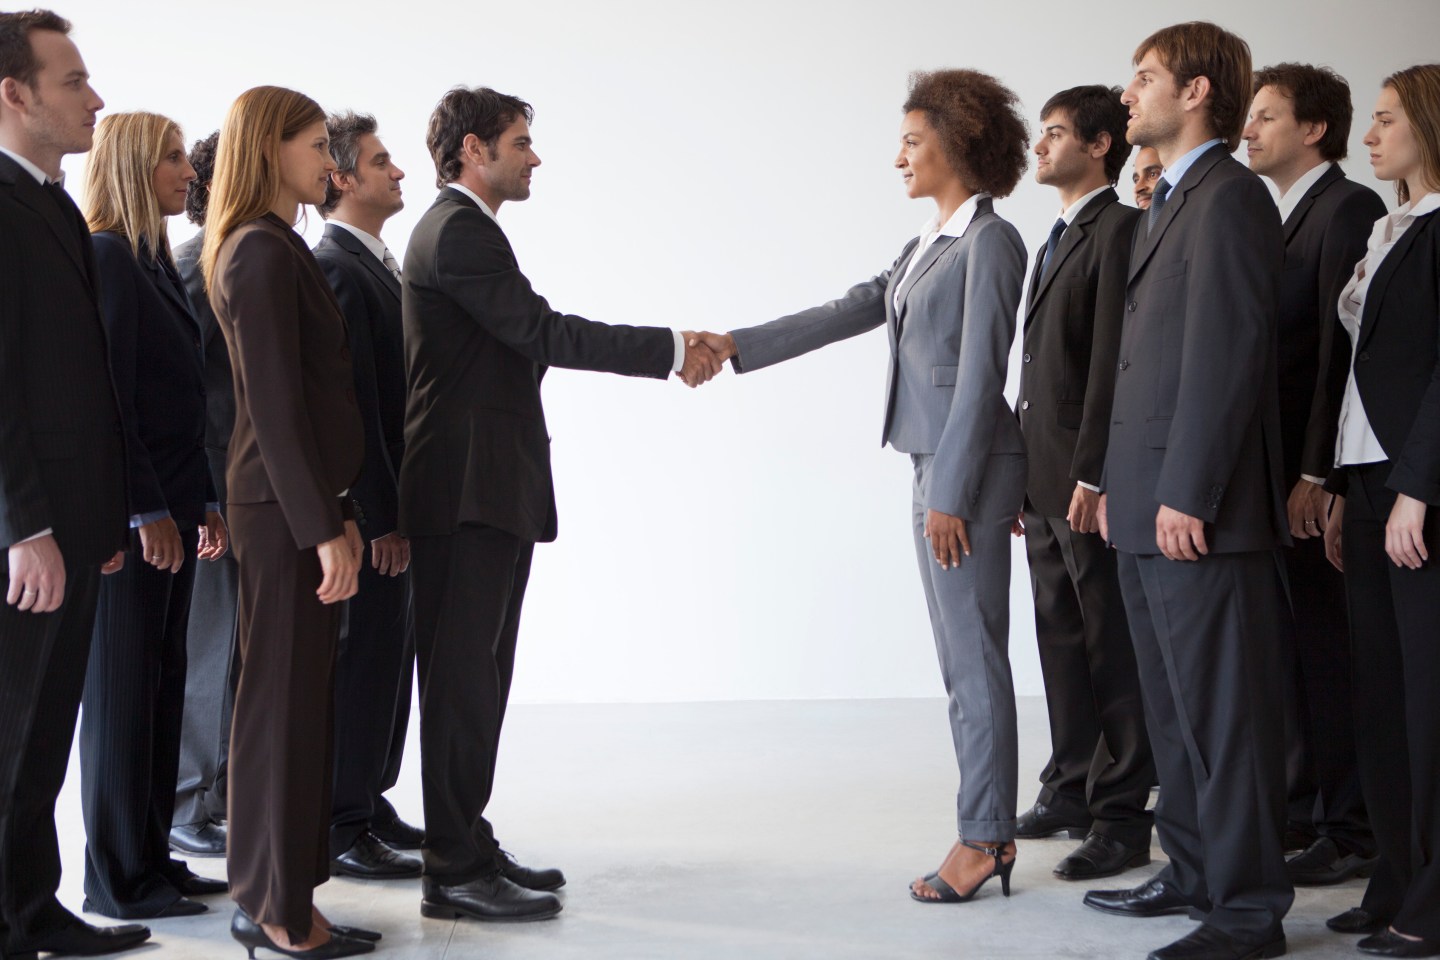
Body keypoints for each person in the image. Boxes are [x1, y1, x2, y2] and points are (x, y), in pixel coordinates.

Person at [695, 68, 1030, 906]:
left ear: (957, 143)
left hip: (964, 469)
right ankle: (986, 826)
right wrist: (739, 343)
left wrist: (951, 491)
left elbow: (983, 375)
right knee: (958, 658)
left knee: (974, 657)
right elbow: (857, 306)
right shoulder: (930, 243)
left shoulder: (991, 242)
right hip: (930, 462)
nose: (899, 158)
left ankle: (985, 837)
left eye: (912, 141)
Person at [400, 85, 719, 923]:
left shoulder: (467, 231)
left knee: (481, 680)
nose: (533, 157)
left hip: (486, 488)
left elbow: (515, 345)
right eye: (520, 142)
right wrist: (671, 348)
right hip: (464, 491)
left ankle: (466, 842)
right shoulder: (458, 231)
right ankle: (452, 871)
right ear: (474, 149)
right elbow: (541, 332)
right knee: (462, 686)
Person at [1082, 22, 1293, 960]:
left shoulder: (1231, 197)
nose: (1127, 95)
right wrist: (1115, 485)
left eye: (1144, 77)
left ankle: (1248, 913)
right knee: (1171, 712)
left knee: (1224, 719)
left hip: (1196, 510)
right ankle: (1195, 872)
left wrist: (1190, 493)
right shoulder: (1167, 201)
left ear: (1197, 90)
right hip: (1144, 504)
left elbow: (1228, 351)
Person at [201, 85, 372, 958]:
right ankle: (272, 910)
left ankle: (289, 899)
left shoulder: (273, 244)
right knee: (278, 708)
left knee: (300, 706)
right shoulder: (260, 251)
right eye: (314, 145)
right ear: (270, 148)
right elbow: (273, 408)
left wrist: (336, 510)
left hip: (293, 506)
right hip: (280, 514)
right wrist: (320, 527)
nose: (328, 163)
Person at [0, 10, 148, 958]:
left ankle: (31, 908)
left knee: (46, 732)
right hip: (29, 531)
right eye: (74, 82)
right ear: (14, 94)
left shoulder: (52, 204)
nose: (96, 99)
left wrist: (106, 516)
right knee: (12, 736)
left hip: (75, 521)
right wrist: (24, 526)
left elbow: (85, 379)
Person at [77, 111, 230, 920]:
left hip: (175, 507)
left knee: (162, 688)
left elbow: (182, 404)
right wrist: (144, 511)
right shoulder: (107, 255)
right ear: (136, 166)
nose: (188, 171)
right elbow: (111, 401)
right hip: (138, 522)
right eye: (173, 158)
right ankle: (116, 880)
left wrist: (201, 499)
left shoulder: (153, 261)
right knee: (122, 696)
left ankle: (151, 860)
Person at [1241, 62, 1386, 887]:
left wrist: (1316, 472)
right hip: (1276, 469)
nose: (1249, 130)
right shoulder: (1279, 215)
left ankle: (1350, 826)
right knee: (1293, 648)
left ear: (1314, 129)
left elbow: (1340, 354)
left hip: (1314, 471)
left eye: (1267, 116)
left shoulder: (1348, 207)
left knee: (1329, 651)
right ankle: (1303, 807)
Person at [1013, 84, 1154, 882]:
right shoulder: (1056, 235)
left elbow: (1109, 365)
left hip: (1084, 480)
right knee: (1059, 637)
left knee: (1110, 645)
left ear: (1100, 145)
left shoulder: (1120, 228)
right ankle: (1069, 786)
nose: (1041, 146)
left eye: (1056, 133)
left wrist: (1094, 473)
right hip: (1040, 477)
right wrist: (1018, 473)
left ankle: (1122, 814)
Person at [1322, 62, 1440, 959]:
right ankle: (1396, 877)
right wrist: (1338, 482)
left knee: (1429, 702)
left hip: (1417, 490)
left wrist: (1419, 486)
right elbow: (1362, 370)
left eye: (1388, 119)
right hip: (1365, 480)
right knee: (1380, 698)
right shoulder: (1390, 228)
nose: (1370, 135)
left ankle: (1434, 903)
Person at [313, 111, 422, 880]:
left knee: (389, 661)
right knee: (363, 666)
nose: (399, 171)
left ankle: (369, 799)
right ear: (343, 178)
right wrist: (378, 517)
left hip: (402, 503)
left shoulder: (378, 263)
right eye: (382, 162)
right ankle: (342, 823)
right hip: (376, 513)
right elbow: (353, 408)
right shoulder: (337, 267)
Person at [171, 130, 239, 861]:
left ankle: (212, 798)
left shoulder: (229, 259)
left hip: (239, 480)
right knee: (209, 644)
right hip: (213, 483)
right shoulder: (197, 266)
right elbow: (182, 387)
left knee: (234, 647)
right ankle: (188, 803)